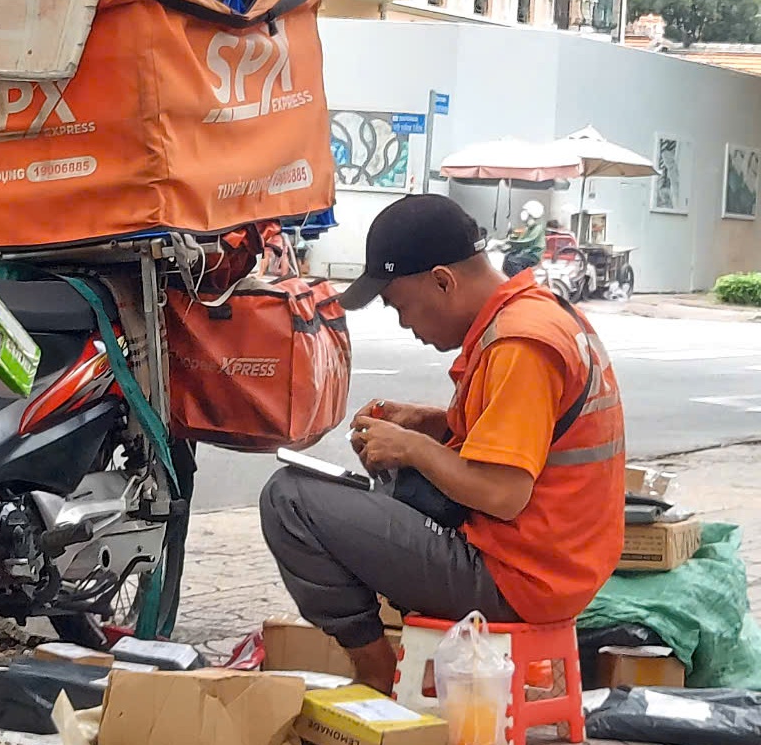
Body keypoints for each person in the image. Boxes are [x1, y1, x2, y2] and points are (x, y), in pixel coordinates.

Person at [259, 194, 625, 693]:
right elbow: (520, 437)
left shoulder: (520, 345)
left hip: (516, 577)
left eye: (400, 306)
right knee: (370, 491)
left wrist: (411, 448)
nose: (405, 325)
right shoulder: (539, 315)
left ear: (442, 281)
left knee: (289, 500)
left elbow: (503, 492)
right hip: (552, 568)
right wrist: (428, 423)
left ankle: (376, 671)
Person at [501, 200, 547, 278]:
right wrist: (509, 240)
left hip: (533, 255)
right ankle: (511, 280)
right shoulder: (529, 228)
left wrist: (509, 242)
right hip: (527, 252)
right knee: (507, 257)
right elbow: (520, 238)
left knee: (513, 261)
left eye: (526, 212)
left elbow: (526, 242)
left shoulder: (537, 228)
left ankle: (521, 281)